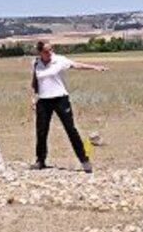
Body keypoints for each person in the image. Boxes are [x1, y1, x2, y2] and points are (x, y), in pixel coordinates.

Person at [30, 40, 108, 173]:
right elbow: (34, 82)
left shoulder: (59, 60)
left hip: (60, 99)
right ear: (40, 52)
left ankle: (84, 160)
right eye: (46, 51)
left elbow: (76, 65)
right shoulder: (36, 63)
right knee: (41, 132)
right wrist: (33, 98)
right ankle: (40, 160)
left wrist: (94, 67)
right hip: (43, 101)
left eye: (51, 49)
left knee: (71, 129)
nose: (50, 53)